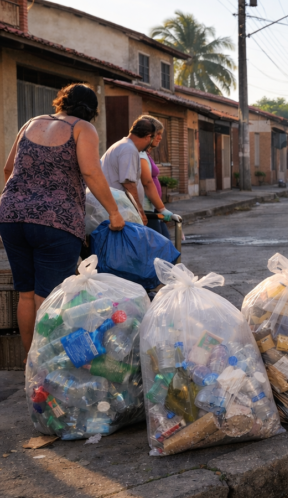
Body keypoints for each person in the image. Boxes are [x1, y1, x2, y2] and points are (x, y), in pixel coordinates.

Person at [0, 83, 125, 354]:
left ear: (61, 101)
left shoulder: (31, 123)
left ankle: (27, 360)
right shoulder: (82, 128)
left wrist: (24, 200)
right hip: (56, 221)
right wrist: (115, 213)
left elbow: (8, 168)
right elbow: (91, 172)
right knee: (49, 295)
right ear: (92, 110)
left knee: (25, 293)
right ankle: (44, 363)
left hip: (11, 216)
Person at [100, 115, 158, 227]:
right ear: (148, 137)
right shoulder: (129, 149)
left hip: (117, 209)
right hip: (120, 211)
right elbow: (129, 183)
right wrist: (140, 210)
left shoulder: (123, 145)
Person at [138, 118, 174, 240]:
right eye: (157, 134)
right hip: (147, 210)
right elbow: (147, 182)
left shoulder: (146, 154)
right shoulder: (141, 154)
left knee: (166, 245)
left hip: (152, 208)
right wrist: (162, 209)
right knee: (160, 249)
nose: (160, 138)